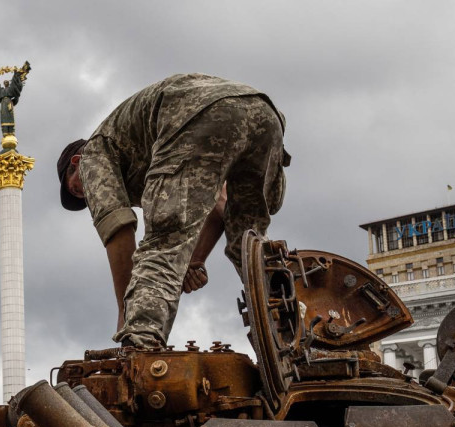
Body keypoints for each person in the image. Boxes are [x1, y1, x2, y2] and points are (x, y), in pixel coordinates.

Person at [57, 73, 289, 349]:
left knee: (162, 243)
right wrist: (194, 261)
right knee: (250, 246)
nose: (84, 196)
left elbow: (117, 231)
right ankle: (292, 338)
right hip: (264, 114)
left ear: (76, 162)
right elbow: (219, 208)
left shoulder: (93, 154)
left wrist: (126, 313)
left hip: (198, 112)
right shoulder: (144, 155)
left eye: (75, 189)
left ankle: (140, 344)